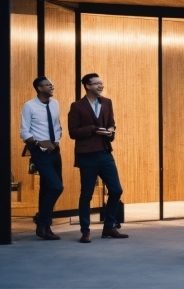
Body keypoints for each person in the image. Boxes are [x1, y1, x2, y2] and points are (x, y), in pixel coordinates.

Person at [68, 73, 128, 243]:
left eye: (102, 83)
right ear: (87, 86)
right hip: (87, 155)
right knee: (86, 194)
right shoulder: (77, 106)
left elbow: (111, 123)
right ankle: (85, 231)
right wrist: (93, 128)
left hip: (105, 152)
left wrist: (110, 130)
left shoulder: (107, 102)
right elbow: (73, 132)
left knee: (116, 190)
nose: (101, 86)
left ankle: (109, 226)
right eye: (97, 84)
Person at [20, 76, 64, 240]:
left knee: (47, 189)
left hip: (55, 150)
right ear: (39, 88)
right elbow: (24, 132)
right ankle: (41, 219)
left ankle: (45, 226)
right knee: (56, 187)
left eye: (52, 84)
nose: (52, 87)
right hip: (40, 152)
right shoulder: (29, 106)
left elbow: (56, 125)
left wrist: (56, 140)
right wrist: (40, 143)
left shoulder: (55, 104)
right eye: (48, 85)